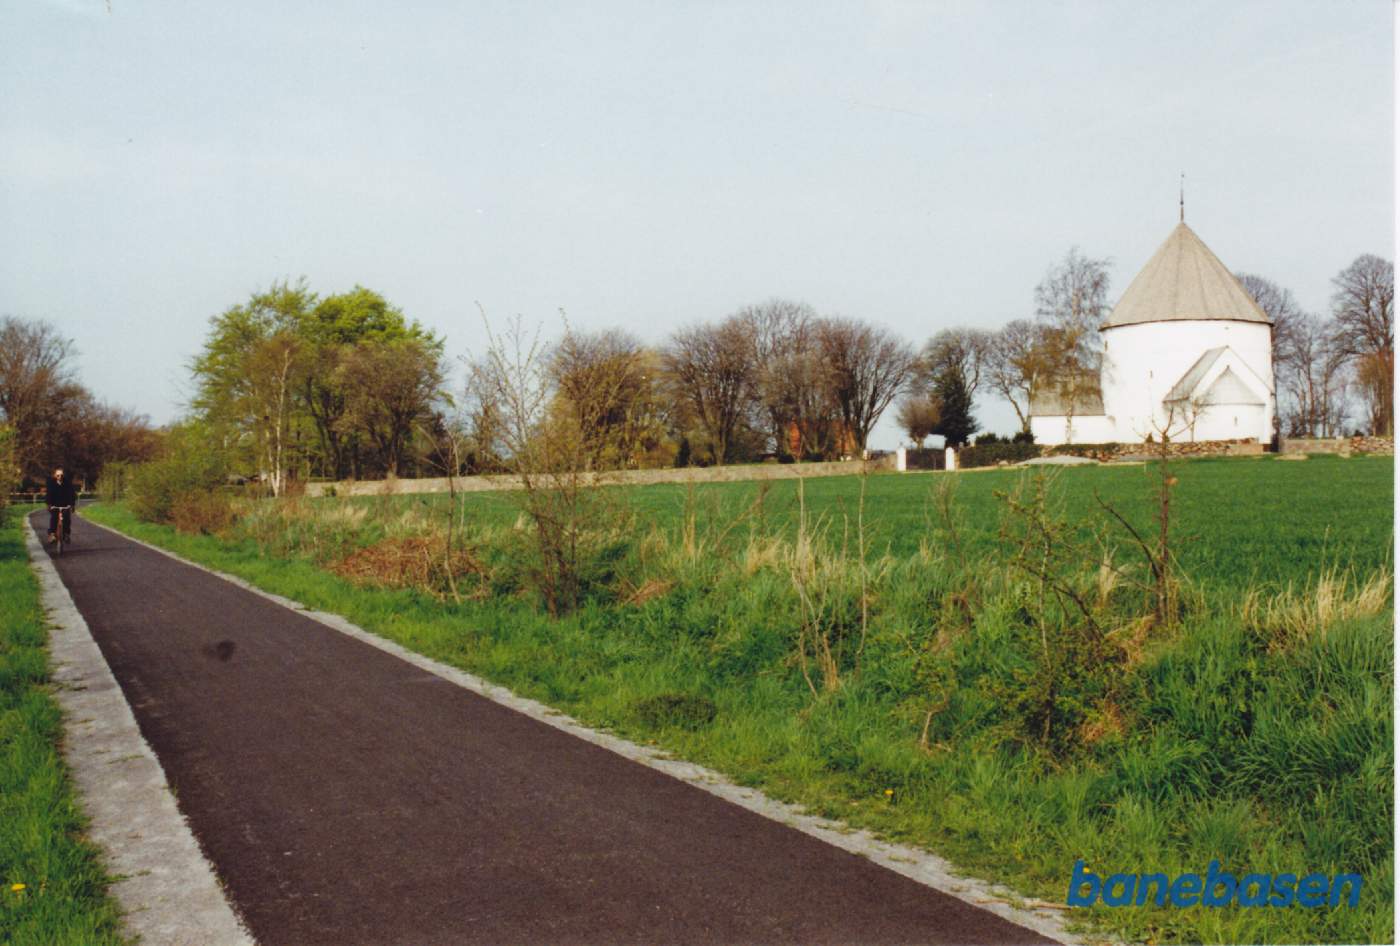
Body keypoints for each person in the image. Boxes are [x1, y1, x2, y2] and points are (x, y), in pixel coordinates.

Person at [45, 466, 78, 544]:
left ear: (63, 475)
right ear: (55, 476)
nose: (60, 477)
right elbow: (49, 494)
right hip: (55, 504)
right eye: (58, 475)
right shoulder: (51, 483)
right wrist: (49, 504)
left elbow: (71, 494)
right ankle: (52, 534)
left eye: (61, 475)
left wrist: (72, 505)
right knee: (54, 517)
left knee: (67, 518)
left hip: (65, 504)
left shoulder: (67, 483)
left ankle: (66, 534)